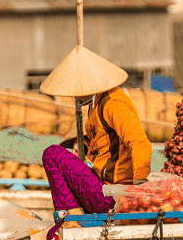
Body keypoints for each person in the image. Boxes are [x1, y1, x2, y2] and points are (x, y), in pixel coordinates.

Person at [39, 45, 152, 223]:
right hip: (100, 185)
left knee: (52, 154)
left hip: (111, 195)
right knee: (53, 235)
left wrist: (140, 188)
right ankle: (70, 217)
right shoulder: (95, 104)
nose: (73, 95)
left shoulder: (114, 104)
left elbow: (140, 143)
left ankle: (74, 217)